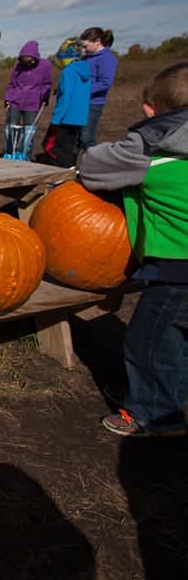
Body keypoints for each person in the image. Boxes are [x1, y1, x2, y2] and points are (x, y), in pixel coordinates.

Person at [77, 61, 188, 437]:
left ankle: (154, 413)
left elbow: (93, 166)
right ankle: (166, 393)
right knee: (180, 340)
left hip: (178, 270)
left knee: (150, 341)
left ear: (151, 111)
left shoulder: (157, 150)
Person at [40, 38, 90, 168]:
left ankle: (62, 171)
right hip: (79, 118)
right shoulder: (86, 71)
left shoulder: (68, 71)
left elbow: (66, 97)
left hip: (65, 118)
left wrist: (56, 118)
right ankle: (69, 168)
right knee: (69, 147)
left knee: (50, 146)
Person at [3, 40, 52, 159]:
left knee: (29, 131)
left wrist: (45, 96)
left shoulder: (45, 65)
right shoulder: (17, 67)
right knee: (11, 129)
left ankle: (25, 154)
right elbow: (12, 84)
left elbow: (47, 84)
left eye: (30, 61)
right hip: (16, 102)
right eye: (25, 61)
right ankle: (10, 153)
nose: (28, 64)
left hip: (33, 103)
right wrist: (8, 98)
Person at [79, 27, 118, 150]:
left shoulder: (107, 58)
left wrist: (83, 90)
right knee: (77, 137)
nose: (83, 49)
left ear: (97, 41)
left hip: (94, 103)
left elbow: (105, 82)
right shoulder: (86, 57)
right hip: (80, 102)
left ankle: (94, 164)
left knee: (87, 137)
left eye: (85, 46)